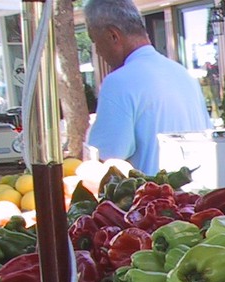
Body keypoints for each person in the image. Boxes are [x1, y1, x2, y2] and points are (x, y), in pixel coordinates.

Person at [84, 0, 212, 175]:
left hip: (153, 199)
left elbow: (102, 163)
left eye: (94, 41)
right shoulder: (183, 74)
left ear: (113, 35)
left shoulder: (118, 82)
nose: (97, 51)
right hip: (198, 198)